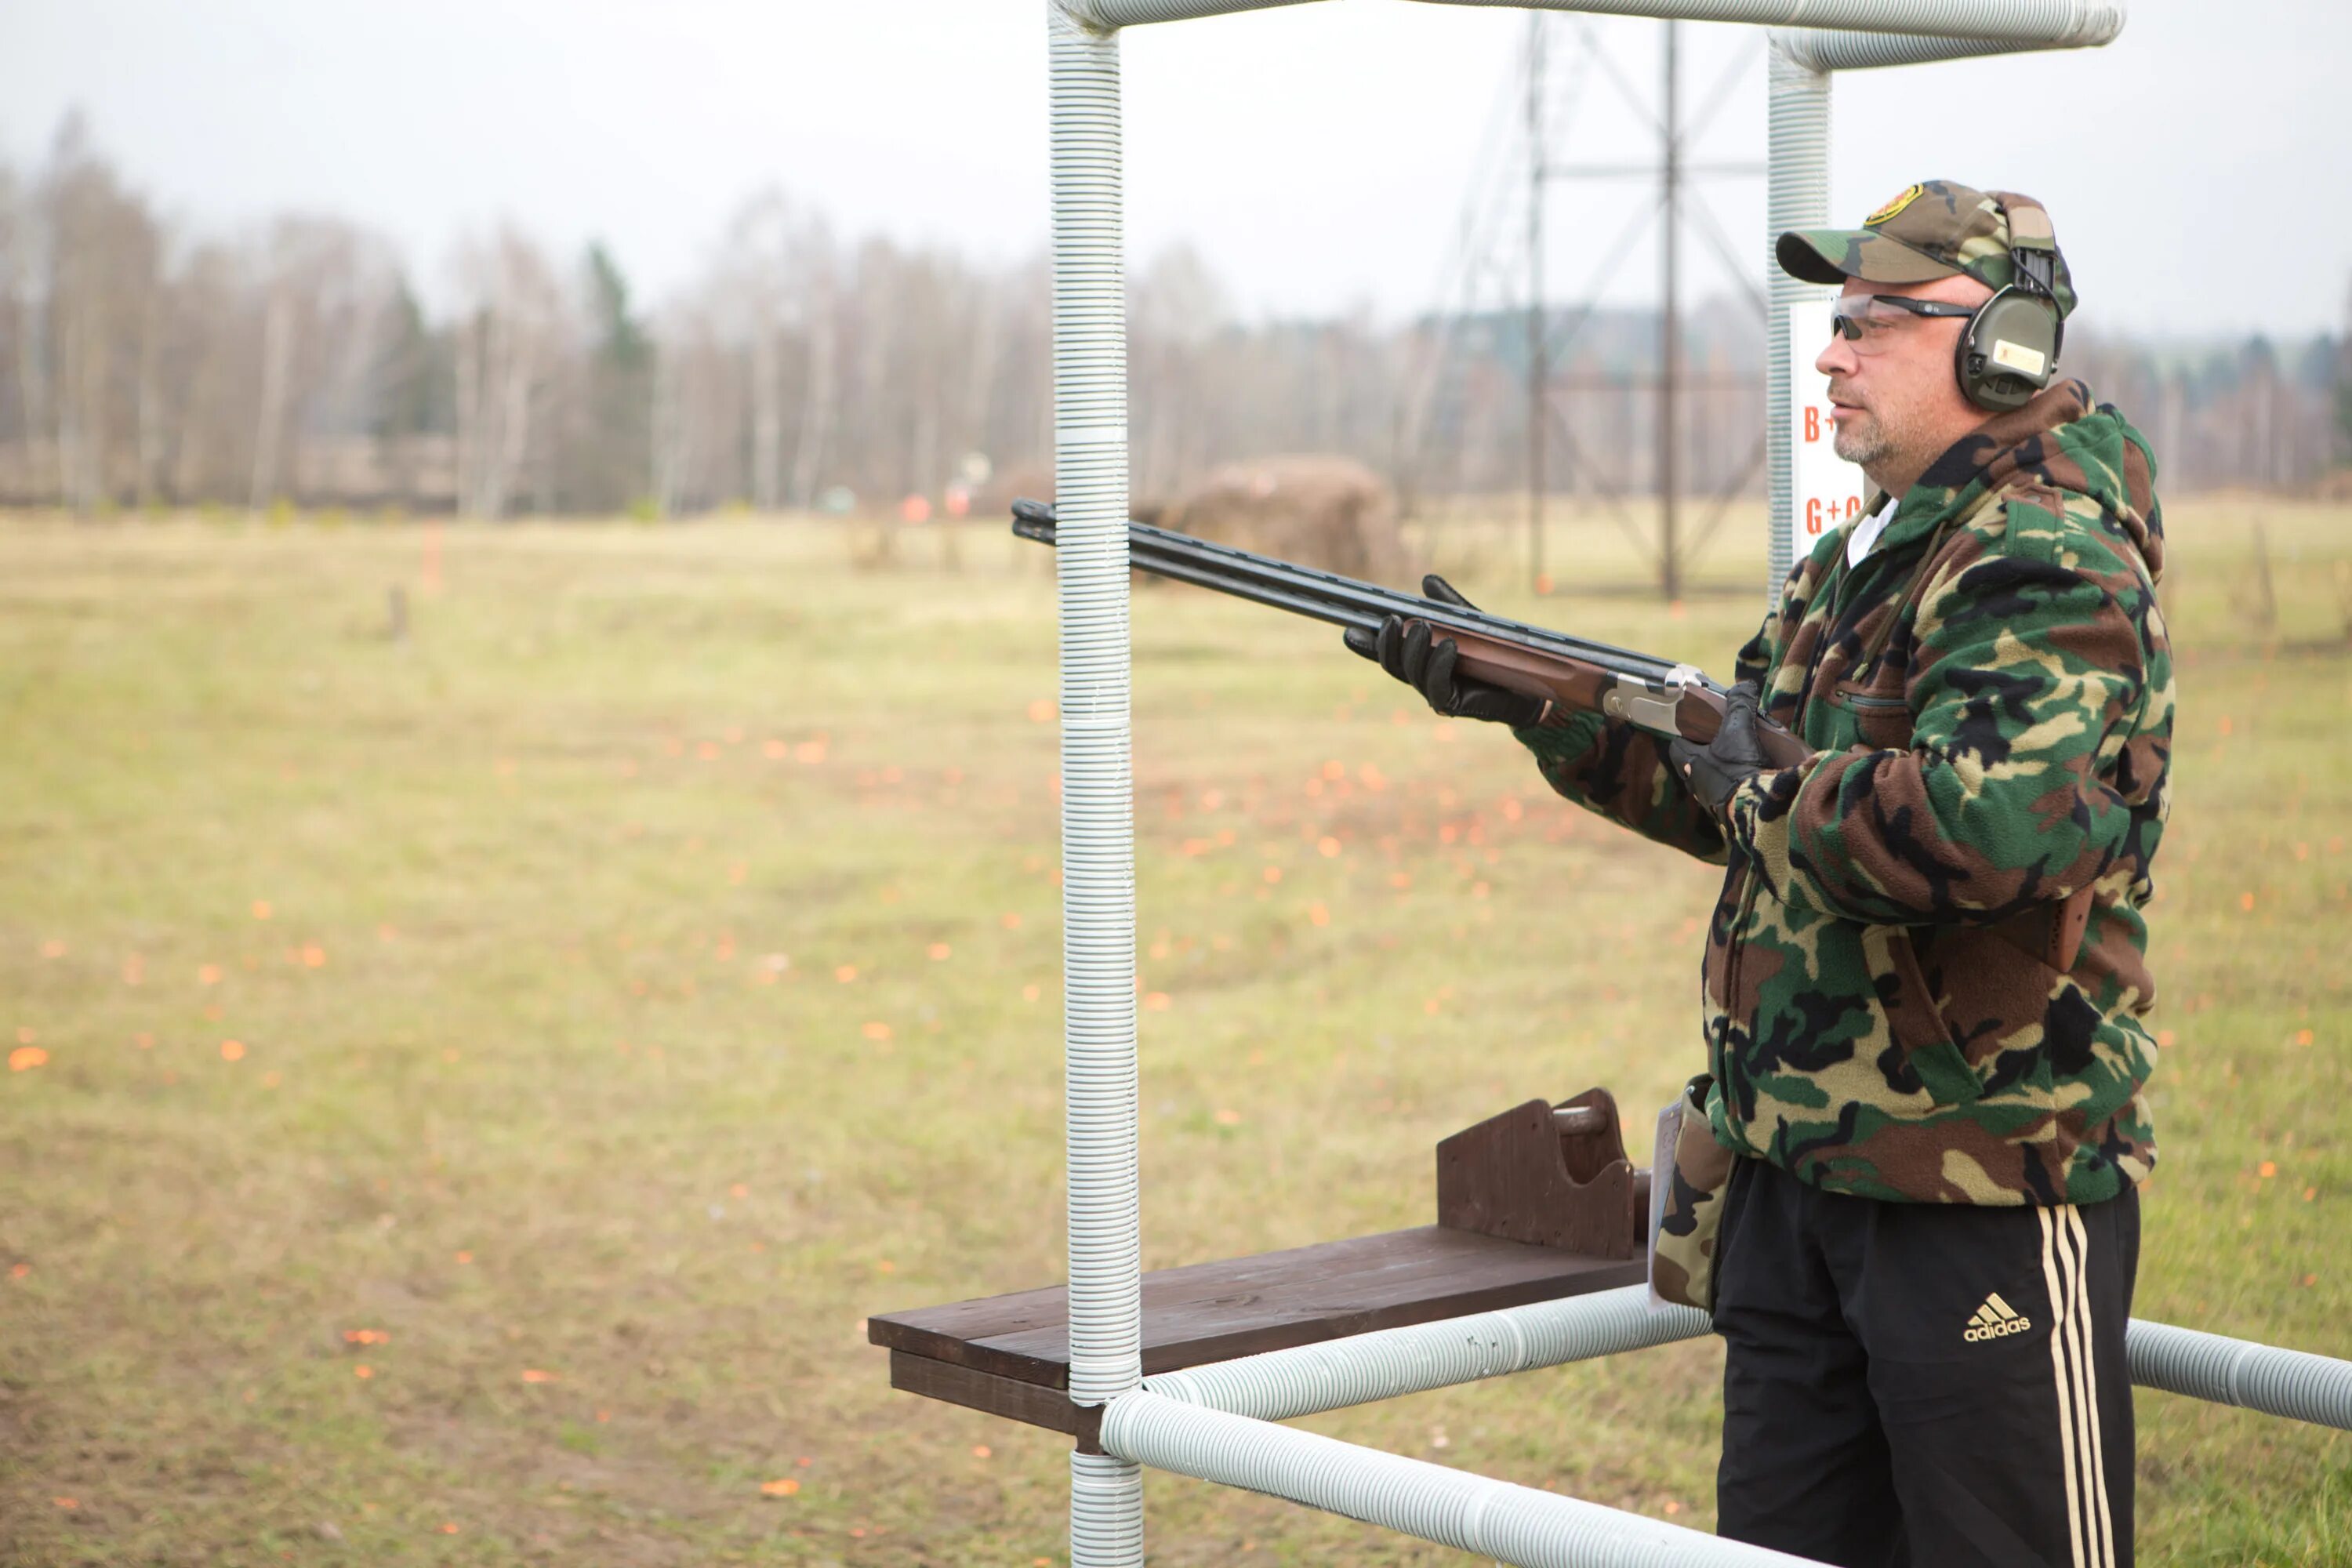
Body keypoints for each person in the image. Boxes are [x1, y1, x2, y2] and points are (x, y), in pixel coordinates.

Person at [1349, 180, 2171, 1568]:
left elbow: (1998, 829)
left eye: (1874, 323)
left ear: (2005, 346)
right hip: (1798, 1168)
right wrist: (1535, 702)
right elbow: (1737, 794)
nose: (1833, 353)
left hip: (1973, 1189)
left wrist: (1768, 786)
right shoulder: (1865, 548)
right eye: (1833, 323)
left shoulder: (2045, 550)